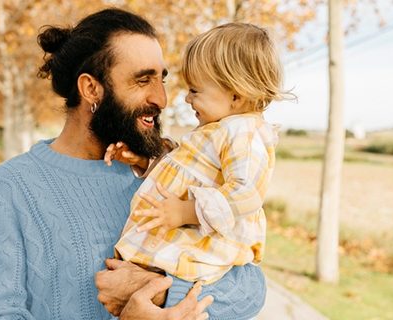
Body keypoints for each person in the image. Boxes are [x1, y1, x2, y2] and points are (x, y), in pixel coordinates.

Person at [0, 8, 266, 320]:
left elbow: (251, 286)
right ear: (91, 89)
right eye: (143, 79)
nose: (162, 98)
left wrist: (161, 292)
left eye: (162, 79)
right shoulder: (10, 189)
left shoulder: (168, 174)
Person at [108, 21, 293, 298]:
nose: (185, 98)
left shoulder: (244, 132)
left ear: (236, 95)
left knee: (133, 287)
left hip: (205, 244)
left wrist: (185, 212)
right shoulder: (220, 129)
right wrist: (144, 159)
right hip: (187, 240)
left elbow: (247, 194)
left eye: (195, 90)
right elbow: (184, 170)